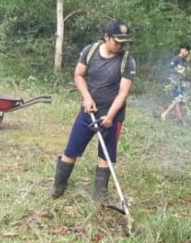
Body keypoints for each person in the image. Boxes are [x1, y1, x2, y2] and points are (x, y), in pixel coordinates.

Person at [50, 20, 136, 201]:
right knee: (71, 150)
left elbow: (123, 93)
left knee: (105, 155)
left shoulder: (127, 61)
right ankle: (58, 188)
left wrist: (110, 116)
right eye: (117, 41)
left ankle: (100, 196)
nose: (121, 46)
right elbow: (79, 75)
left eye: (124, 42)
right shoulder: (90, 51)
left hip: (113, 114)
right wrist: (86, 97)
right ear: (106, 37)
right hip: (88, 111)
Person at [160, 44, 190, 124]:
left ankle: (164, 114)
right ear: (181, 50)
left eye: (188, 51)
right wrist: (177, 71)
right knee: (177, 101)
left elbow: (185, 71)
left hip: (181, 83)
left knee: (177, 101)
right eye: (186, 51)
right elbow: (169, 69)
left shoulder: (184, 60)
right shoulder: (176, 59)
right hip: (175, 83)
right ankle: (181, 120)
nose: (187, 53)